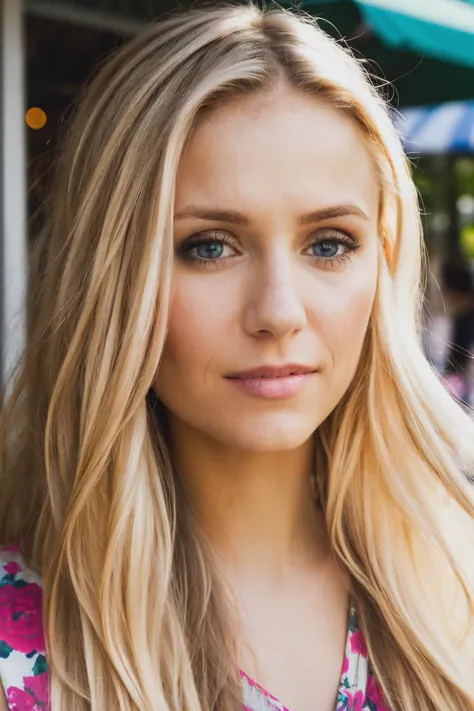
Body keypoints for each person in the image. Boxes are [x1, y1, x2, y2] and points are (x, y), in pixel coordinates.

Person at [0, 4, 473, 711]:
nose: (279, 311)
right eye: (210, 246)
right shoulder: (22, 651)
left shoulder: (456, 592)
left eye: (329, 243)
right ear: (114, 277)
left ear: (385, 262)